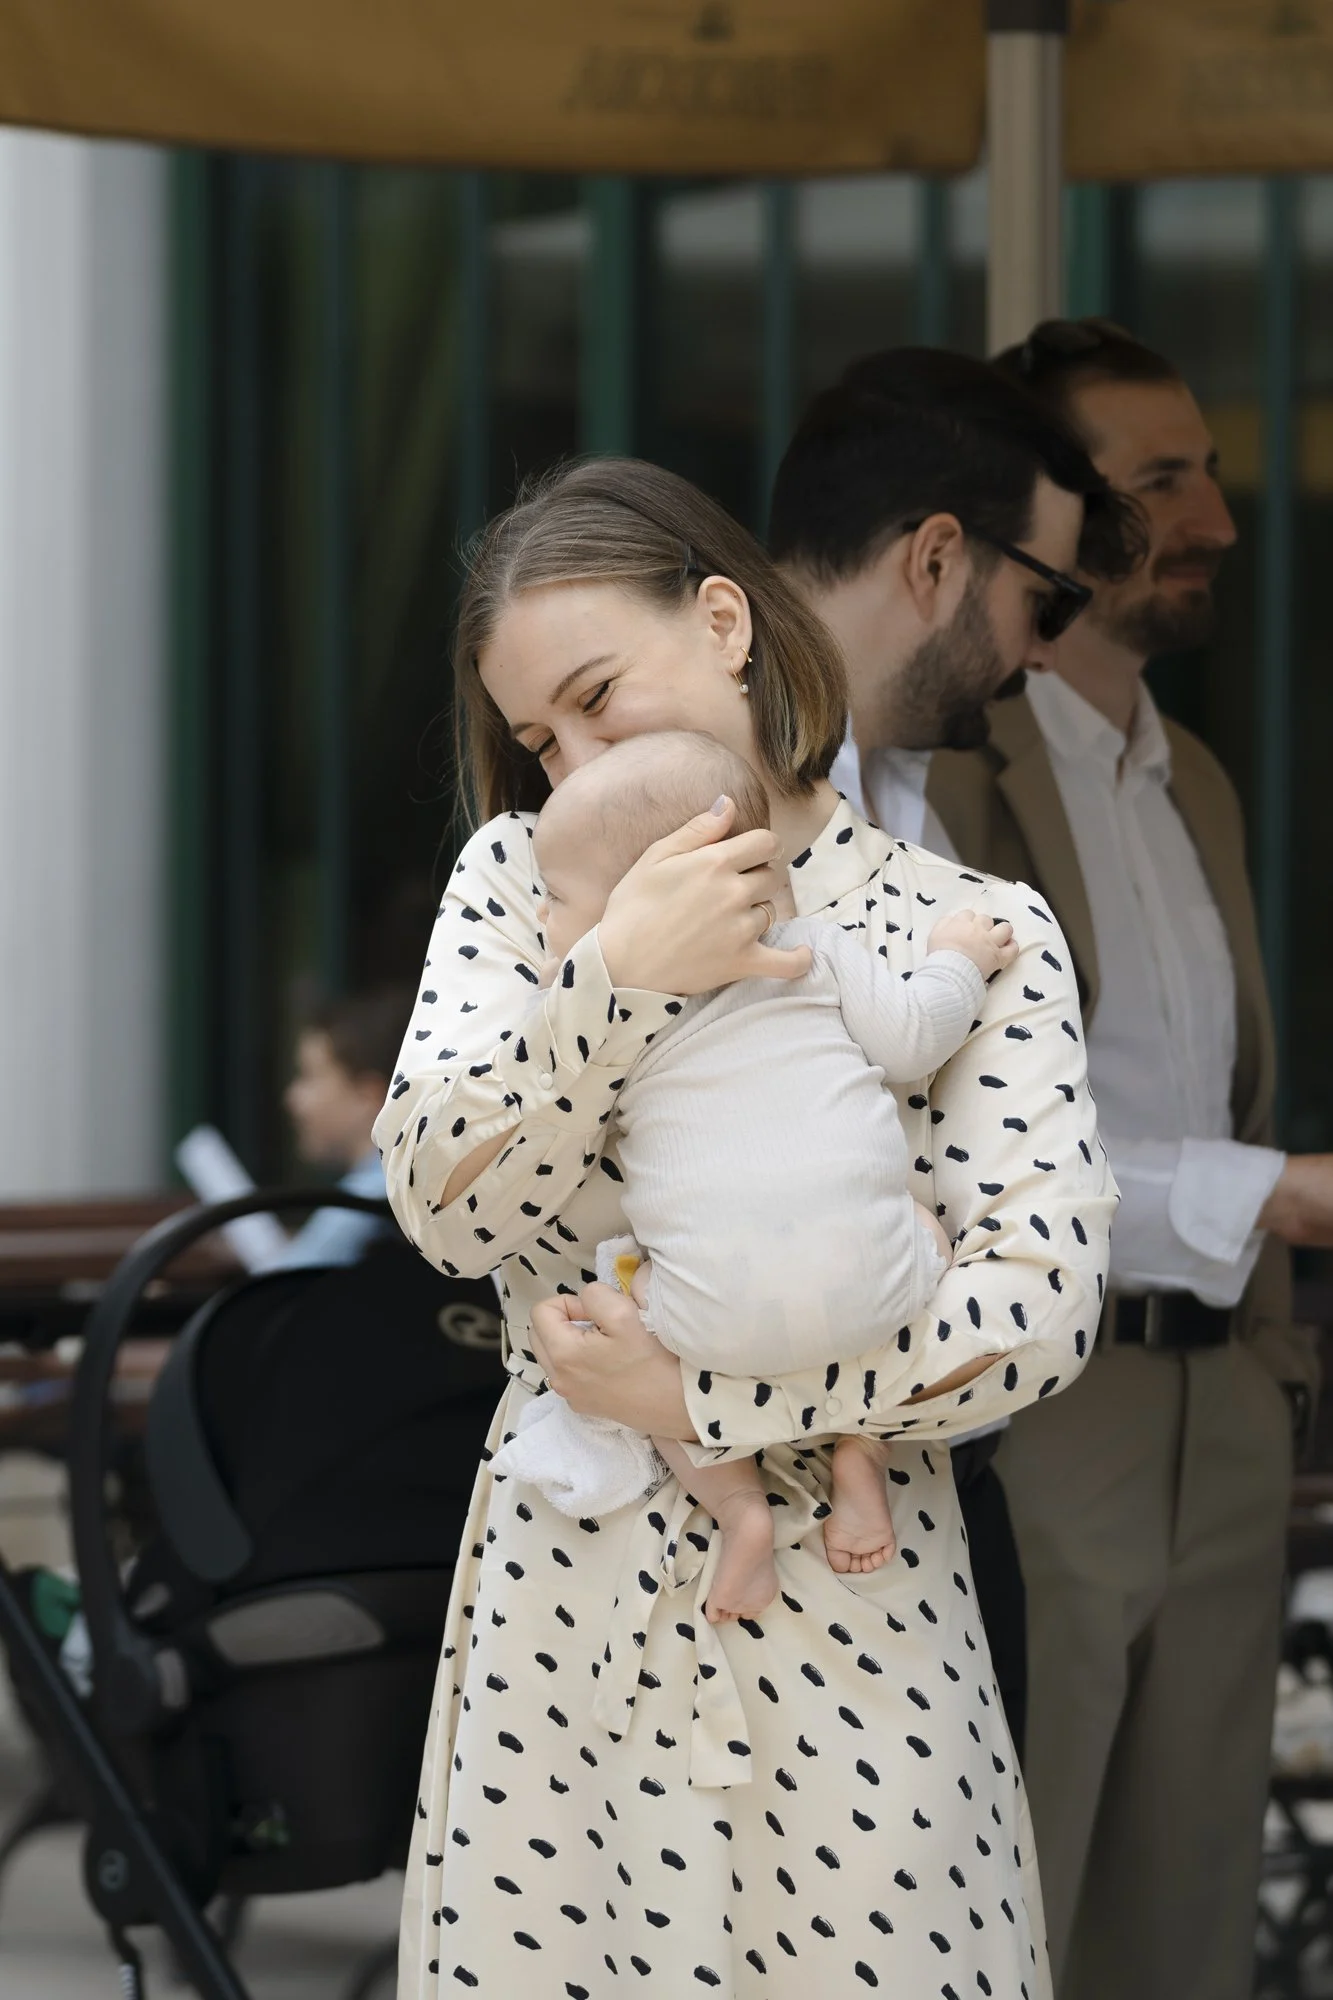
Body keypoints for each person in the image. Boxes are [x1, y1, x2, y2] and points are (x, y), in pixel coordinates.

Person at [375, 456, 1116, 1999]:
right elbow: (444, 1211)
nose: (572, 759)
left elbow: (1035, 1317)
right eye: (538, 737)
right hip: (563, 1617)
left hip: (863, 1618)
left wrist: (706, 1402)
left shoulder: (962, 927)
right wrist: (619, 984)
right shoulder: (523, 889)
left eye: (598, 696)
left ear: (722, 620)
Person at [920, 318, 1328, 2000]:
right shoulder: (939, 788)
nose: (1213, 521)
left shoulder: (1197, 784)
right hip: (1042, 1414)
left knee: (1183, 1930)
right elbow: (979, 1145)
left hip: (1217, 1407)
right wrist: (1283, 1197)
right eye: (1159, 481)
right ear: (1047, 514)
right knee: (1011, 1912)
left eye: (1206, 474)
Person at [766, 346, 1146, 1756]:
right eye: (1042, 597)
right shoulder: (674, 790)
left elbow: (1039, 1228)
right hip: (737, 1538)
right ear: (935, 558)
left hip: (936, 1497)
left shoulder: (929, 818)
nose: (1048, 649)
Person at [490, 727, 1017, 1622]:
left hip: (704, 1327)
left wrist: (573, 983)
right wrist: (959, 959)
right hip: (877, 1292)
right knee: (919, 1225)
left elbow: (552, 1107)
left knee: (618, 1299)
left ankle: (739, 1511)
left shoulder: (615, 1006)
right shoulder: (818, 949)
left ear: (648, 900)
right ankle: (860, 1450)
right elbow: (917, 1039)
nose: (541, 919)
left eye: (555, 898)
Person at [277, 986, 409, 1268]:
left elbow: (270, 1298)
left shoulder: (363, 1202)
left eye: (309, 1077)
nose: (292, 1098)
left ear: (366, 1098)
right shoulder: (410, 1187)